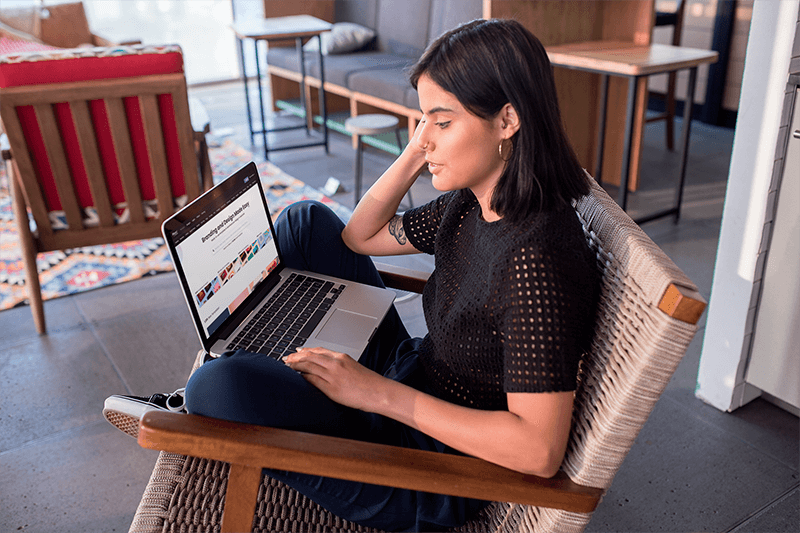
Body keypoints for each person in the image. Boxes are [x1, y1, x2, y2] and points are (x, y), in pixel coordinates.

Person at [104, 18, 600, 532]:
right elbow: (359, 236)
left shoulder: (534, 263)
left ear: (508, 120)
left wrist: (374, 394)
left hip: (434, 464)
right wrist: (419, 151)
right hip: (414, 374)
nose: (424, 137)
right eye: (421, 119)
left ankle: (207, 397)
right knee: (308, 222)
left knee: (217, 387)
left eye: (443, 122)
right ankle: (268, 346)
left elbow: (538, 451)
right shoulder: (473, 203)